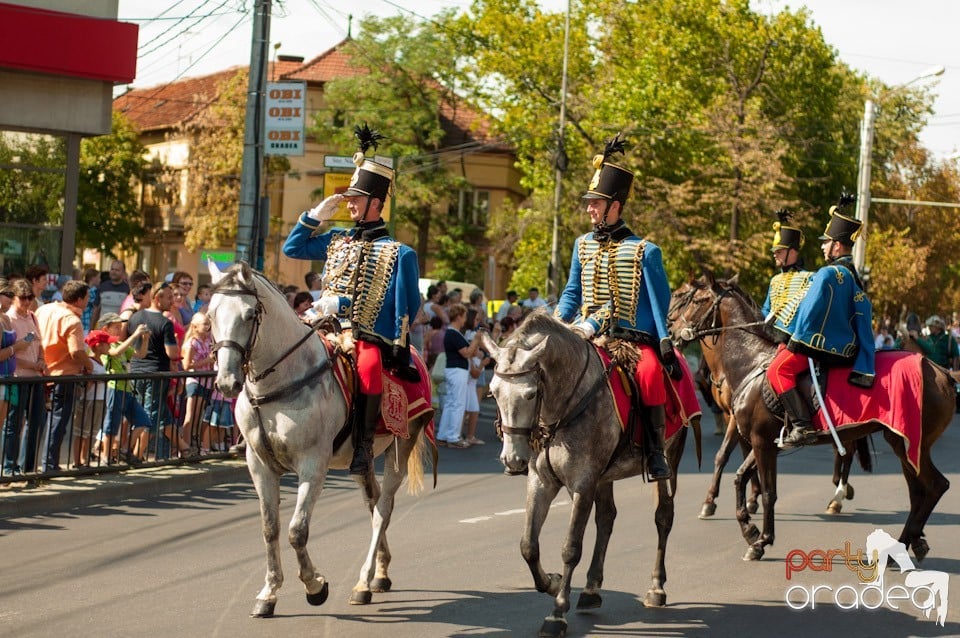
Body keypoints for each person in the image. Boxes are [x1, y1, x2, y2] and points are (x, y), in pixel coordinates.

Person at [282, 123, 421, 475]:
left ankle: (362, 445)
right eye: (350, 200)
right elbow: (292, 247)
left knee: (370, 369)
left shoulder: (398, 253)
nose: (351, 206)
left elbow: (404, 307)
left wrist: (343, 306)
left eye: (357, 200)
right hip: (319, 323)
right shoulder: (336, 238)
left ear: (376, 203)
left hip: (363, 333)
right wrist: (314, 216)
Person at [553, 133, 675, 480]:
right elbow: (571, 292)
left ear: (614, 205)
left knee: (650, 375)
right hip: (586, 336)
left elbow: (659, 301)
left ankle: (654, 452)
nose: (589, 208)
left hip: (632, 341)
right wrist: (558, 321)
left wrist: (662, 339)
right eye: (589, 202)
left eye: (595, 202)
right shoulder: (581, 245)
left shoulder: (645, 251)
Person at [766, 194, 875, 447]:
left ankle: (802, 427)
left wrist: (793, 341)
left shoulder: (827, 274)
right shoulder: (850, 275)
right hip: (845, 348)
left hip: (818, 346)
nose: (823, 247)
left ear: (837, 245)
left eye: (826, 243)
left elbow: (808, 311)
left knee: (777, 370)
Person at [35, 280, 93, 471]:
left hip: (41, 372)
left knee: (35, 423)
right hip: (63, 376)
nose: (89, 300)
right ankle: (49, 464)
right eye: (87, 297)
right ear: (79, 299)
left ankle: (27, 465)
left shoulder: (45, 310)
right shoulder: (72, 319)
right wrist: (89, 365)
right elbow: (76, 351)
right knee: (58, 421)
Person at [127, 282, 190, 459]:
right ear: (157, 298)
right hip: (156, 374)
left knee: (161, 414)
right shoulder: (165, 323)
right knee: (150, 417)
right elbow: (171, 352)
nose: (172, 301)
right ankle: (135, 454)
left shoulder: (135, 317)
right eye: (169, 297)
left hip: (136, 372)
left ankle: (183, 448)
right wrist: (177, 349)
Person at [3, 279, 46, 475]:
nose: (27, 301)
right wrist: (32, 364)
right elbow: (12, 354)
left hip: (35, 377)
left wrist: (42, 359)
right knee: (14, 424)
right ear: (14, 298)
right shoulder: (8, 319)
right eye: (24, 298)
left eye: (31, 297)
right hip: (18, 377)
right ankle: (8, 466)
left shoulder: (33, 316)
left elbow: (39, 343)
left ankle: (27, 467)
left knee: (36, 421)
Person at [95, 313, 151, 464]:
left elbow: (141, 354)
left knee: (143, 420)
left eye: (120, 327)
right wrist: (135, 336)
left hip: (127, 389)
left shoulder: (121, 344)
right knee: (112, 423)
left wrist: (144, 339)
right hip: (114, 387)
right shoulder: (105, 345)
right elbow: (115, 353)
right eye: (116, 327)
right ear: (106, 329)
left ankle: (124, 450)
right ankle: (106, 456)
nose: (120, 330)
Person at [436, 303, 483, 447]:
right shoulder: (453, 334)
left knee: (451, 403)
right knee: (457, 404)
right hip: (457, 371)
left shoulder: (453, 333)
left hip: (455, 370)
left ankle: (444, 434)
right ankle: (453, 437)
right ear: (458, 317)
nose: (464, 320)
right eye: (463, 317)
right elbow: (467, 353)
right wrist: (476, 341)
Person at [181, 312, 215, 454]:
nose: (208, 327)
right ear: (195, 327)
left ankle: (194, 444)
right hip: (195, 381)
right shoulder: (192, 343)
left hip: (206, 382)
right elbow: (186, 365)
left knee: (198, 416)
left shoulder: (208, 341)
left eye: (209, 324)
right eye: (205, 324)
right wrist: (207, 360)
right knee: (190, 415)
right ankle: (185, 445)